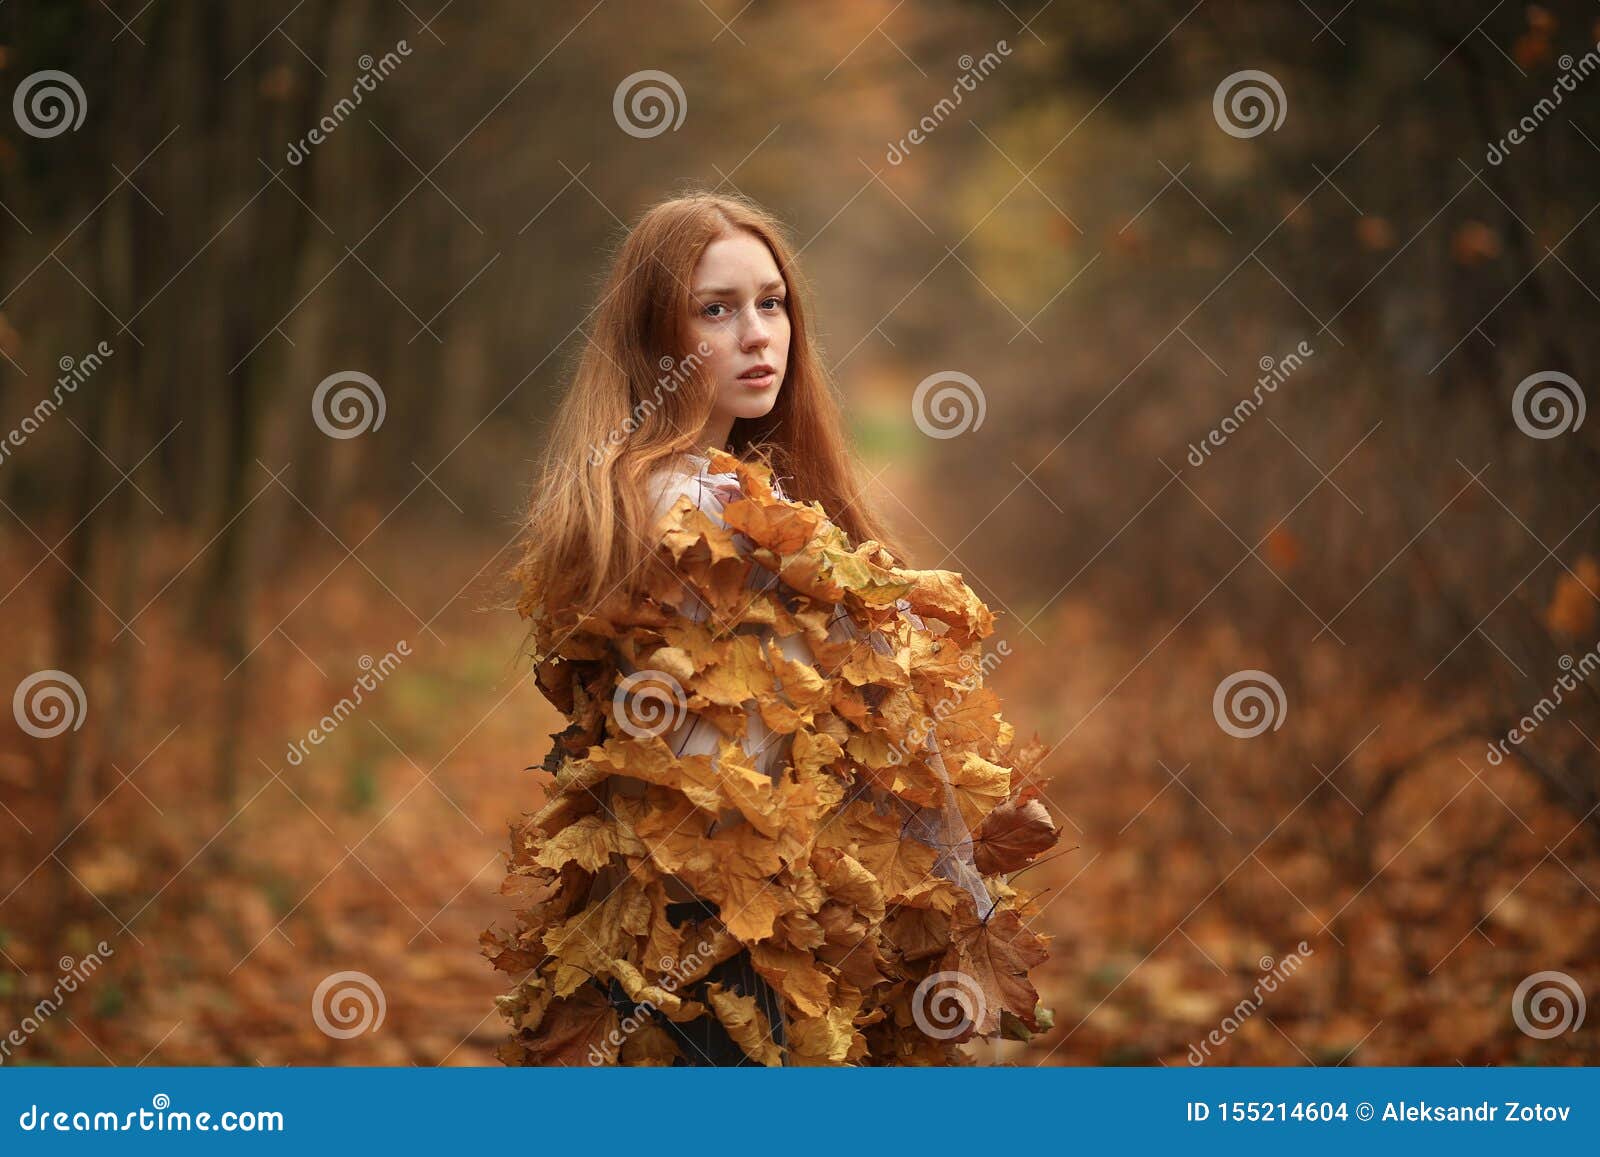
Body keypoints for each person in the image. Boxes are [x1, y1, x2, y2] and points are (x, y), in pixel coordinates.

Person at [484, 189, 1060, 1066]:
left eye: (771, 301)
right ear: (652, 338)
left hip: (720, 927)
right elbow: (763, 749)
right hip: (723, 940)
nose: (758, 334)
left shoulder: (710, 491)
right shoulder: (689, 509)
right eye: (715, 309)